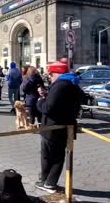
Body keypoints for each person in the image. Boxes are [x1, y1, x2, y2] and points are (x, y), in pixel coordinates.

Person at [35, 60, 84, 194]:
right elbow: (66, 103)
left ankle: (49, 183)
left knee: (50, 156)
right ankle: (46, 181)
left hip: (52, 128)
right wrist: (47, 96)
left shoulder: (60, 85)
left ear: (58, 73)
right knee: (57, 156)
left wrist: (40, 101)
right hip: (65, 127)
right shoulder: (73, 84)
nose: (50, 77)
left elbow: (48, 108)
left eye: (51, 74)